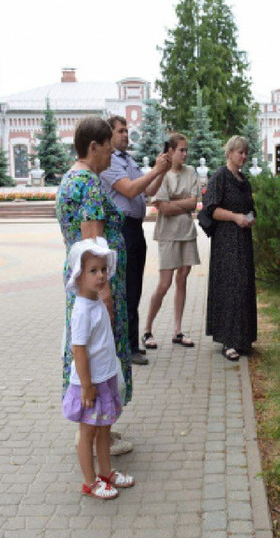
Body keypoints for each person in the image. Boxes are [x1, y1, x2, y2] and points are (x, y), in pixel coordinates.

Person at [56, 117, 133, 456]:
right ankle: (98, 434)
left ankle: (94, 432)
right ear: (93, 147)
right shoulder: (87, 184)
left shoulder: (69, 179)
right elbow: (92, 241)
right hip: (96, 286)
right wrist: (104, 293)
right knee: (103, 355)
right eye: (107, 149)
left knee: (86, 350)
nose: (111, 157)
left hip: (81, 283)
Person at [61, 239, 135, 500]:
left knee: (105, 427)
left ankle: (106, 472)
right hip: (89, 383)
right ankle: (90, 482)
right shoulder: (81, 310)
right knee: (88, 432)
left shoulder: (95, 302)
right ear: (79, 276)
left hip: (104, 377)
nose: (101, 275)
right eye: (93, 271)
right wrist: (87, 385)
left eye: (103, 269)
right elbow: (78, 350)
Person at [100, 115, 171, 365]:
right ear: (108, 135)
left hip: (134, 230)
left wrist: (161, 171)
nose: (125, 135)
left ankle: (131, 344)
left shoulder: (127, 159)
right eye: (120, 131)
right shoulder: (110, 163)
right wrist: (156, 170)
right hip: (121, 229)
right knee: (126, 289)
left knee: (135, 289)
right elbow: (130, 189)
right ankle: (127, 347)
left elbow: (149, 190)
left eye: (127, 130)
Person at [142, 133, 200, 350]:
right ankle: (147, 330)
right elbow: (162, 207)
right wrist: (183, 203)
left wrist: (178, 202)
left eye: (186, 150)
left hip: (187, 232)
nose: (185, 154)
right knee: (164, 283)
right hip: (167, 233)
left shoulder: (191, 171)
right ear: (170, 151)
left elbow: (194, 203)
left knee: (183, 278)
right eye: (181, 150)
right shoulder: (162, 175)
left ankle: (177, 330)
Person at [202, 136, 257, 361]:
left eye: (245, 153)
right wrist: (235, 217)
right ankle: (228, 341)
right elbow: (210, 210)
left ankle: (243, 338)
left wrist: (250, 218)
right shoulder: (219, 177)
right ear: (229, 153)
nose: (243, 156)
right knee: (229, 287)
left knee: (243, 286)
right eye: (239, 152)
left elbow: (251, 207)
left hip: (243, 240)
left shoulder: (243, 180)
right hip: (226, 242)